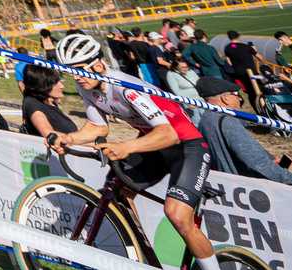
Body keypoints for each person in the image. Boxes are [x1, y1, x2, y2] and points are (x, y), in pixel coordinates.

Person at [52, 32, 220, 270]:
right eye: (70, 71)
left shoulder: (126, 88)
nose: (76, 77)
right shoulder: (87, 87)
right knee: (117, 192)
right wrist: (68, 137)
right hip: (153, 144)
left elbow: (169, 134)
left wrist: (126, 146)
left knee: (177, 215)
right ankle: (144, 260)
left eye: (79, 69)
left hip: (186, 145)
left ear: (98, 64)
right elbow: (97, 127)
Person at [195, 76, 292, 200]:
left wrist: (269, 157)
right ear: (225, 99)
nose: (240, 99)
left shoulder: (206, 119)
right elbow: (261, 165)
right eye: (236, 95)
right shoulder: (227, 122)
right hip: (246, 194)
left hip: (230, 190)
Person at [18, 63, 80, 142]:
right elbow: (48, 133)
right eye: (55, 83)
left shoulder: (48, 101)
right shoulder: (32, 104)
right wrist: (87, 143)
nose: (62, 86)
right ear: (42, 85)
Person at [224, 30, 265, 111]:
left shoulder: (227, 48)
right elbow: (260, 57)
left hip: (240, 73)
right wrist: (254, 50)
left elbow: (229, 61)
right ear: (238, 36)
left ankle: (257, 109)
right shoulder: (246, 46)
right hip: (252, 72)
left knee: (250, 92)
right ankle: (264, 108)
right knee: (260, 90)